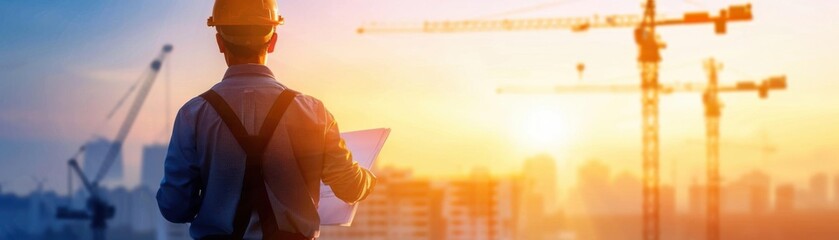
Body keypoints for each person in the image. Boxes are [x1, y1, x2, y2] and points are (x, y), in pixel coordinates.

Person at [156, 0, 377, 239]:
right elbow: (350, 187)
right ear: (273, 42)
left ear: (220, 43)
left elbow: (175, 207)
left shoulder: (193, 115)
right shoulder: (313, 112)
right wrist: (369, 179)